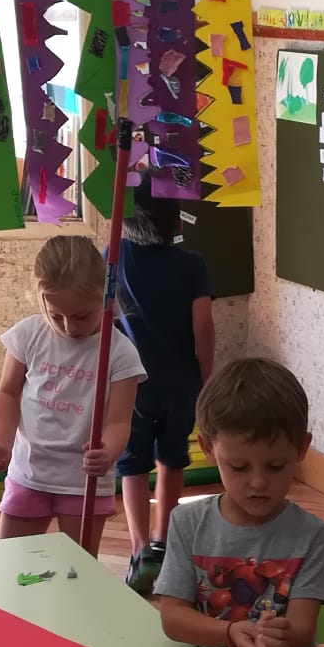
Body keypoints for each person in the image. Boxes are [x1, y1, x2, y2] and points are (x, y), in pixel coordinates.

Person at [153, 357, 324, 647]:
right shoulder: (187, 522)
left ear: (302, 448)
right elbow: (173, 618)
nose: (257, 483)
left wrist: (277, 636)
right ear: (207, 448)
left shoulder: (311, 534)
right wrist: (232, 632)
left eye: (275, 466)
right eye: (238, 466)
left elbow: (302, 629)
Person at [0, 235, 146, 552]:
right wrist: (2, 441)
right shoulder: (29, 334)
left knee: (76, 570)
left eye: (81, 315)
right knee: (11, 563)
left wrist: (108, 451)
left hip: (84, 482)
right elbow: (8, 393)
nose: (69, 327)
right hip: (29, 474)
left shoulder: (120, 352)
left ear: (105, 296)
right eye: (56, 315)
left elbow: (118, 421)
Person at [115, 175, 215, 595]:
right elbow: (203, 329)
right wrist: (207, 383)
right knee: (172, 460)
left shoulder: (113, 257)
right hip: (181, 384)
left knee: (132, 464)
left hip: (129, 384)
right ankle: (163, 542)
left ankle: (140, 551)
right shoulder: (193, 264)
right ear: (176, 219)